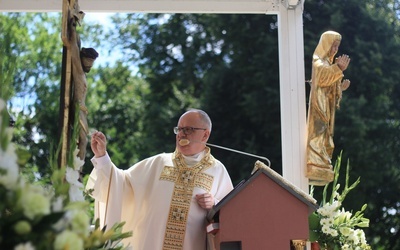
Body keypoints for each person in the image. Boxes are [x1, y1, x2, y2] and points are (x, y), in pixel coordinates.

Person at [85, 109, 234, 250]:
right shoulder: (159, 163)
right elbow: (122, 184)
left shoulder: (217, 170)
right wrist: (102, 157)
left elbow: (234, 213)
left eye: (188, 130)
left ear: (205, 135)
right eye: (179, 129)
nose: (181, 134)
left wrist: (214, 204)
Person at [306, 31, 351, 186]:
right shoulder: (318, 61)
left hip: (326, 108)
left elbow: (330, 86)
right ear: (326, 44)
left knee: (325, 136)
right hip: (318, 106)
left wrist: (340, 88)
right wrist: (338, 68)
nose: (335, 50)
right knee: (318, 133)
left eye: (337, 47)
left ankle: (321, 163)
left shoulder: (327, 63)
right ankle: (315, 163)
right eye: (333, 46)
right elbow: (323, 78)